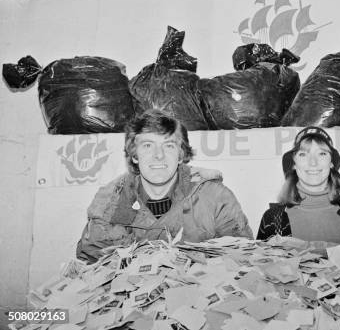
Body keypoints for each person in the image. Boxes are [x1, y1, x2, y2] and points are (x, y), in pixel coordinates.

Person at [76, 109, 253, 263]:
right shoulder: (110, 202)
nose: (158, 155)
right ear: (134, 155)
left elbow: (242, 259)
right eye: (147, 146)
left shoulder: (215, 198)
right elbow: (90, 267)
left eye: (168, 146)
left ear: (181, 154)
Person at [257, 126, 340, 247]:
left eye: (322, 154)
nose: (313, 162)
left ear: (331, 163)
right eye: (303, 154)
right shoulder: (272, 218)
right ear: (294, 164)